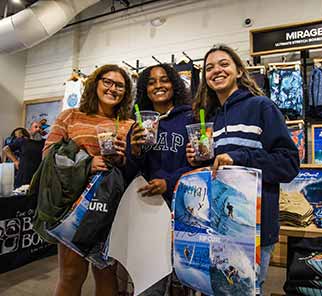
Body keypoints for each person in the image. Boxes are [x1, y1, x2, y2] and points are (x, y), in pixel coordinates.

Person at [186, 44, 299, 293]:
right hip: (215, 227)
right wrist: (198, 160)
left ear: (239, 70)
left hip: (253, 230)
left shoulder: (261, 107)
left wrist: (239, 158)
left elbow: (288, 164)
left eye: (224, 64)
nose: (216, 70)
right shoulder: (208, 117)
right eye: (209, 68)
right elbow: (215, 168)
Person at [44, 64, 134, 296]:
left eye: (120, 86)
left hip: (113, 207)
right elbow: (48, 155)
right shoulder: (70, 116)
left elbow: (137, 167)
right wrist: (87, 163)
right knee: (72, 274)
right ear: (95, 83)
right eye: (108, 82)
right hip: (75, 208)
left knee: (106, 273)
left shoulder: (129, 124)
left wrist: (124, 159)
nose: (113, 88)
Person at [127, 63, 193, 295]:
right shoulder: (138, 123)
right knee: (149, 278)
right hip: (148, 209)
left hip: (183, 207)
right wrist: (133, 151)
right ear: (145, 89)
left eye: (164, 80)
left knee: (181, 278)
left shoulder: (190, 118)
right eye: (151, 82)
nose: (158, 86)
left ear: (174, 84)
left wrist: (170, 182)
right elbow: (130, 172)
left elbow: (197, 164)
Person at [3, 122, 44, 188]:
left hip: (38, 177)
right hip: (23, 177)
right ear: (30, 130)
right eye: (36, 127)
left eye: (40, 128)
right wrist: (15, 161)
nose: (38, 129)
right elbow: (6, 149)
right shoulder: (23, 141)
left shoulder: (45, 143)